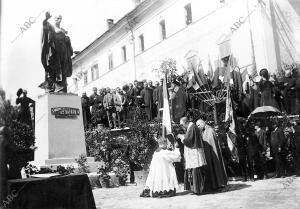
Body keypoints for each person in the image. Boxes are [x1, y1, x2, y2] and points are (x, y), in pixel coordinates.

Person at [40, 12, 73, 92]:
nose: (59, 19)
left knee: (63, 69)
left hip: (63, 51)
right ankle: (52, 88)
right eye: (57, 18)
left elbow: (67, 41)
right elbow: (44, 27)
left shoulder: (62, 30)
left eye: (60, 18)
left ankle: (63, 87)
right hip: (55, 51)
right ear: (54, 19)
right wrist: (46, 19)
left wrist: (67, 40)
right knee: (53, 69)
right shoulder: (51, 27)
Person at [178, 117, 207, 195]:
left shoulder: (192, 127)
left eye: (181, 124)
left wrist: (182, 137)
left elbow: (189, 140)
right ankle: (196, 189)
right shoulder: (191, 127)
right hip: (193, 152)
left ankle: (197, 189)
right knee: (194, 170)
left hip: (194, 153)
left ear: (185, 122)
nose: (181, 126)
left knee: (195, 170)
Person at [196, 119, 227, 192]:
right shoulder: (203, 130)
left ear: (203, 123)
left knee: (216, 168)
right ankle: (214, 185)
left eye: (198, 125)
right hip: (208, 154)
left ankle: (219, 184)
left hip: (213, 155)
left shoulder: (209, 130)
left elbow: (213, 144)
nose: (198, 127)